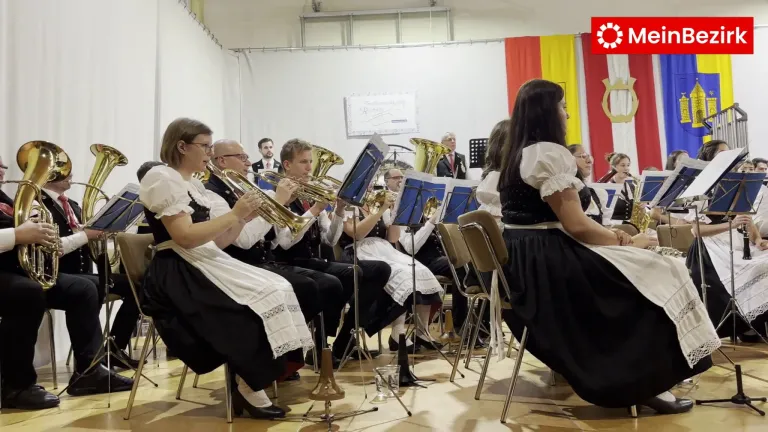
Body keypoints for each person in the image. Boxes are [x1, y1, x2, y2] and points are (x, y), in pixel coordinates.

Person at [497, 79, 719, 413]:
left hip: (528, 257)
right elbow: (576, 225)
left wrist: (616, 238)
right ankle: (645, 381)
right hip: (549, 258)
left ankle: (648, 375)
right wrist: (623, 239)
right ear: (546, 112)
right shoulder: (548, 153)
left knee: (649, 266)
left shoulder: (518, 154)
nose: (566, 114)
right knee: (660, 269)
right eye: (562, 107)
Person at [139, 118, 313, 419]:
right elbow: (183, 236)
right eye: (205, 146)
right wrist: (234, 213)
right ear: (182, 146)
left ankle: (256, 378)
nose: (209, 153)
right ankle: (247, 384)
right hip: (178, 269)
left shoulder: (193, 184)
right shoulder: (162, 177)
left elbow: (219, 241)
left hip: (201, 258)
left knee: (278, 287)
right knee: (248, 307)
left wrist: (244, 217)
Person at [205, 139, 346, 367]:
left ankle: (304, 351)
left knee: (330, 283)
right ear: (222, 161)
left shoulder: (243, 189)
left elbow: (325, 239)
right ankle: (284, 355)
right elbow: (248, 240)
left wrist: (335, 209)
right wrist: (279, 202)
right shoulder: (213, 194)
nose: (248, 162)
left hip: (264, 261)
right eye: (242, 157)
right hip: (241, 265)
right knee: (314, 287)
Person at [0, 191, 134, 402]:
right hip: (7, 273)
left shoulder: (6, 198)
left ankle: (88, 371)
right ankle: (16, 385)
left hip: (19, 270)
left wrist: (37, 227)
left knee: (83, 289)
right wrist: (17, 235)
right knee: (27, 293)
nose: (2, 172)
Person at [273, 138, 391, 362]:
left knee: (380, 269)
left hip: (312, 260)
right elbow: (286, 242)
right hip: (287, 261)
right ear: (287, 165)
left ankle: (345, 339)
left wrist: (338, 210)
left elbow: (330, 239)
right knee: (342, 277)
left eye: (310, 161)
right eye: (303, 162)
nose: (310, 168)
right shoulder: (278, 195)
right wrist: (315, 210)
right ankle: (321, 344)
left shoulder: (309, 196)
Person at [41, 174, 140, 369]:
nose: (71, 175)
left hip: (82, 272)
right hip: (55, 274)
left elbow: (83, 240)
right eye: (65, 171)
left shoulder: (73, 205)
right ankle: (91, 363)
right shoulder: (39, 204)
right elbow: (52, 247)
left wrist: (103, 232)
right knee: (88, 288)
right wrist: (86, 235)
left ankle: (115, 347)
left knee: (136, 287)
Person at [339, 188, 444, 351]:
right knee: (401, 275)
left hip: (384, 249)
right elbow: (357, 234)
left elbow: (393, 238)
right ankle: (398, 334)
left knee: (419, 270)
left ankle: (422, 332)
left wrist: (396, 212)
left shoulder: (379, 207)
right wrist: (380, 210)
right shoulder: (350, 206)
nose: (370, 188)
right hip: (359, 252)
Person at [686, 139, 768, 342]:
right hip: (711, 247)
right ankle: (746, 324)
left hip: (736, 241)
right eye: (721, 153)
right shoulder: (702, 187)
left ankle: (755, 323)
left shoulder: (737, 182)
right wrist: (731, 225)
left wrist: (758, 240)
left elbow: (746, 218)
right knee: (753, 269)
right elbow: (697, 230)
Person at [568, 144, 613, 225]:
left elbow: (606, 225)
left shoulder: (599, 194)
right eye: (583, 156)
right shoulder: (564, 192)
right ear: (568, 160)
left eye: (589, 157)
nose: (589, 161)